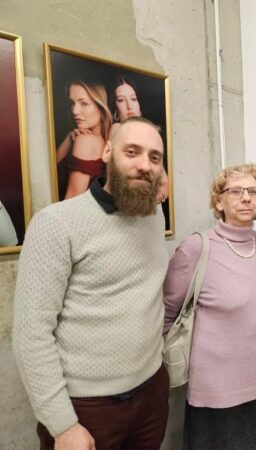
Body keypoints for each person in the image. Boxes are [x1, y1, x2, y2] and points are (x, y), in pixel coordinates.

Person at [13, 117, 170, 450]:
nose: (144, 165)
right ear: (107, 152)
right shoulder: (56, 224)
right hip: (87, 408)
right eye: (132, 152)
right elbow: (31, 335)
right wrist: (63, 425)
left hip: (151, 394)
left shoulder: (154, 216)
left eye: (154, 157)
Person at [163, 164, 256, 450]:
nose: (246, 198)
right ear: (219, 202)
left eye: (253, 192)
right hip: (217, 393)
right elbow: (167, 314)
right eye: (236, 191)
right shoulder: (197, 248)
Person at [56, 80, 112, 199]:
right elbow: (49, 171)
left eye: (84, 104)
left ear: (101, 108)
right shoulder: (101, 142)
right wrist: (69, 139)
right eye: (72, 103)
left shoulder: (86, 141)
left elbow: (73, 200)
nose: (75, 111)